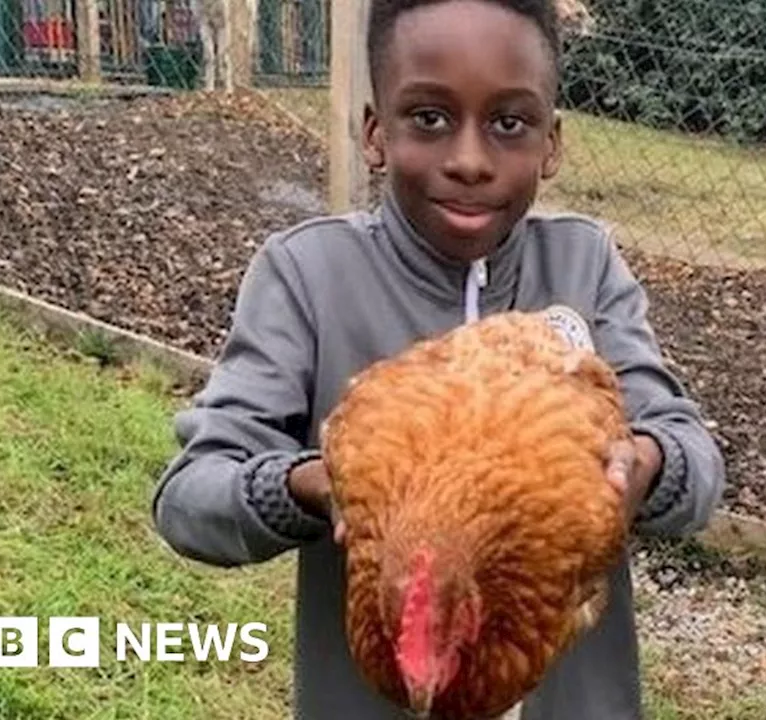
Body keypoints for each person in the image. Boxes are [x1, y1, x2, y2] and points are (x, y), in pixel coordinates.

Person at [150, 0, 726, 716]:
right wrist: (323, 486)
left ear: (551, 143)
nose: (469, 161)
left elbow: (696, 464)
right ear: (374, 133)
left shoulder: (585, 264)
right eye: (429, 118)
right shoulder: (309, 275)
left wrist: (641, 469)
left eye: (509, 123)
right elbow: (188, 501)